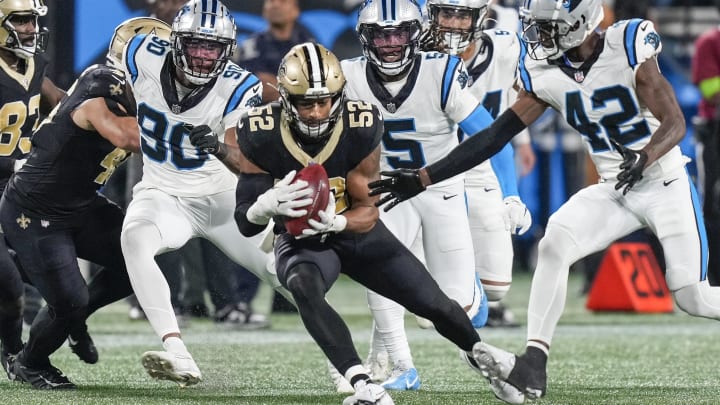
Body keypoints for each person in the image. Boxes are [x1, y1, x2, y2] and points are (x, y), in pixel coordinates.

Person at [368, 0, 720, 403]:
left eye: (549, 27)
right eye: (537, 26)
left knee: (694, 297)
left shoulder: (628, 44)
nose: (539, 36)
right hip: (615, 186)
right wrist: (423, 178)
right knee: (554, 243)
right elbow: (493, 137)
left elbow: (674, 121)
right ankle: (534, 363)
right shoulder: (545, 72)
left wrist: (647, 155)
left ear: (581, 21)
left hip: (664, 181)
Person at [191, 40, 518, 405]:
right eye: (305, 102)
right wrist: (264, 206)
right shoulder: (260, 129)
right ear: (285, 98)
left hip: (352, 230)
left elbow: (369, 211)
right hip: (302, 242)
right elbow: (246, 223)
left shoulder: (360, 123)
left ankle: (483, 356)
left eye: (324, 101)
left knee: (434, 305)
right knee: (303, 286)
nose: (316, 112)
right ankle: (362, 384)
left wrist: (337, 224)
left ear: (339, 95)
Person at [338, 0, 524, 390]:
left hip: (439, 187)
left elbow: (490, 135)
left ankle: (450, 285)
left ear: (415, 34)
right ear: (364, 38)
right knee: (379, 275)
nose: (390, 44)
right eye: (381, 36)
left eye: (399, 34)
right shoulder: (347, 75)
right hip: (384, 189)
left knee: (459, 309)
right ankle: (399, 366)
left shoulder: (441, 71)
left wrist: (510, 194)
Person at [117, 0, 289, 386]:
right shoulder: (140, 51)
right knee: (134, 239)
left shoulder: (238, 86)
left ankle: (349, 366)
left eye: (212, 47)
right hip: (163, 192)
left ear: (226, 50)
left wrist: (216, 146)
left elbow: (243, 160)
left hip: (221, 199)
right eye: (195, 44)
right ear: (175, 40)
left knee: (288, 274)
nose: (202, 55)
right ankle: (178, 354)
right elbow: (117, 88)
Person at [0, 16, 172, 390]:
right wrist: (183, 138)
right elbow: (125, 136)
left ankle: (74, 318)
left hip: (81, 203)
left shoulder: (153, 96)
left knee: (138, 258)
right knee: (70, 299)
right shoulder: (102, 84)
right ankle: (30, 362)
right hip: (35, 209)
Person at [423, 0, 532, 329]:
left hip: (483, 167)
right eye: (447, 13)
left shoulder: (506, 47)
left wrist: (511, 191)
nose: (454, 23)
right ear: (433, 14)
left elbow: (526, 98)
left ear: (480, 17)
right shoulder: (416, 57)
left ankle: (456, 276)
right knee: (426, 311)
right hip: (432, 172)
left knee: (496, 288)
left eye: (463, 15)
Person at [0, 0, 66, 381]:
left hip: (17, 191)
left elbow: (59, 102)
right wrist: (19, 163)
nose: (30, 28)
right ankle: (12, 354)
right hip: (12, 178)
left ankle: (18, 353)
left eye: (33, 20)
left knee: (49, 275)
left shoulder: (33, 63)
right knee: (9, 287)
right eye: (21, 20)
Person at [235, 0, 315, 104]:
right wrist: (294, 88)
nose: (275, 5)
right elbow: (257, 86)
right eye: (271, 1)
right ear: (264, 10)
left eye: (283, 1)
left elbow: (313, 87)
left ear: (296, 10)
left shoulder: (309, 47)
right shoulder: (251, 45)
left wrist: (279, 87)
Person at [692, 9, 720, 285]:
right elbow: (712, 90)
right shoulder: (709, 42)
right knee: (711, 202)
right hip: (715, 134)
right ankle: (712, 276)